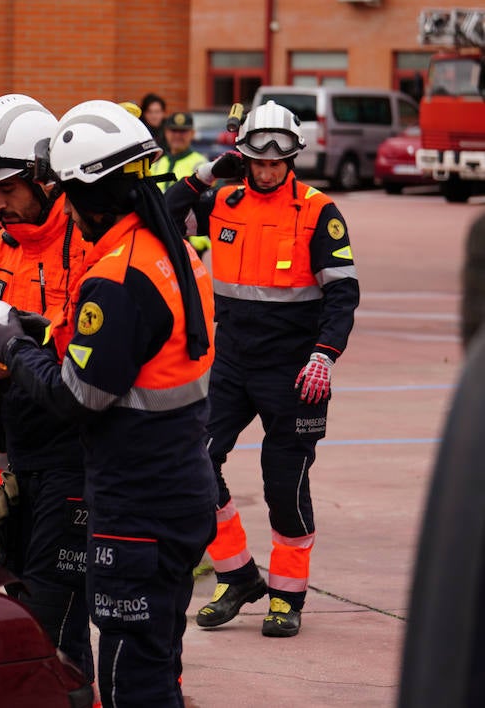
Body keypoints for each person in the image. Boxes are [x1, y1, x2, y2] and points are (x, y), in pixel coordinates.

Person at [0, 99, 216, 708]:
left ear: (87, 193)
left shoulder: (117, 272)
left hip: (137, 503)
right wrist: (38, 331)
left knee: (134, 677)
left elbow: (78, 395)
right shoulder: (168, 250)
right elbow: (124, 350)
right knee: (155, 659)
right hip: (175, 488)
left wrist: (12, 347)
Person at [166, 101, 359, 638]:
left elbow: (343, 292)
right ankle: (237, 574)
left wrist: (326, 353)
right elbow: (160, 217)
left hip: (296, 372)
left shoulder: (319, 211)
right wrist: (204, 174)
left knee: (284, 483)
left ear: (292, 159)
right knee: (192, 463)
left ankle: (288, 596)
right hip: (230, 364)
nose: (268, 170)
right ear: (244, 158)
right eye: (258, 161)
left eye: (278, 162)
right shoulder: (221, 199)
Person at [0, 93, 92, 681]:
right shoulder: (4, 245)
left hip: (76, 456)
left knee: (55, 625)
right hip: (26, 458)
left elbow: (86, 365)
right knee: (29, 609)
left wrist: (11, 363)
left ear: (45, 177)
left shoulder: (87, 246)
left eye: (7, 189)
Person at [152, 110, 213, 253]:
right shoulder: (156, 164)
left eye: (183, 132)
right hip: (159, 234)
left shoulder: (200, 163)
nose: (177, 136)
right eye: (174, 131)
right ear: (166, 132)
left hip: (190, 239)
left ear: (192, 133)